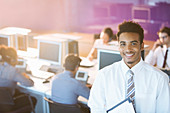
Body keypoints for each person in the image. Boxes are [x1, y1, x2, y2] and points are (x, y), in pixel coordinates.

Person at [88, 21, 170, 113]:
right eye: (123, 44)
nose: (128, 49)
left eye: (133, 43)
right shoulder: (103, 75)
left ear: (142, 46)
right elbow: (96, 108)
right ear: (118, 46)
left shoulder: (160, 79)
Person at [0, 45, 37, 112]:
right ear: (13, 59)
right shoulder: (13, 71)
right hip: (8, 106)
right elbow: (29, 84)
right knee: (33, 99)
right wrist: (26, 77)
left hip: (1, 104)